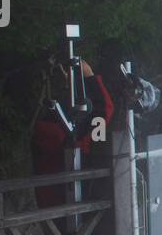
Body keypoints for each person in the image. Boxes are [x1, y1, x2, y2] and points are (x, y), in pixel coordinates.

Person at [32, 56, 115, 208]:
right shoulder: (57, 125)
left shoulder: (67, 131)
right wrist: (88, 76)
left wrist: (89, 76)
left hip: (60, 199)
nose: (65, 76)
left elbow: (104, 113)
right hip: (58, 198)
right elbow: (103, 114)